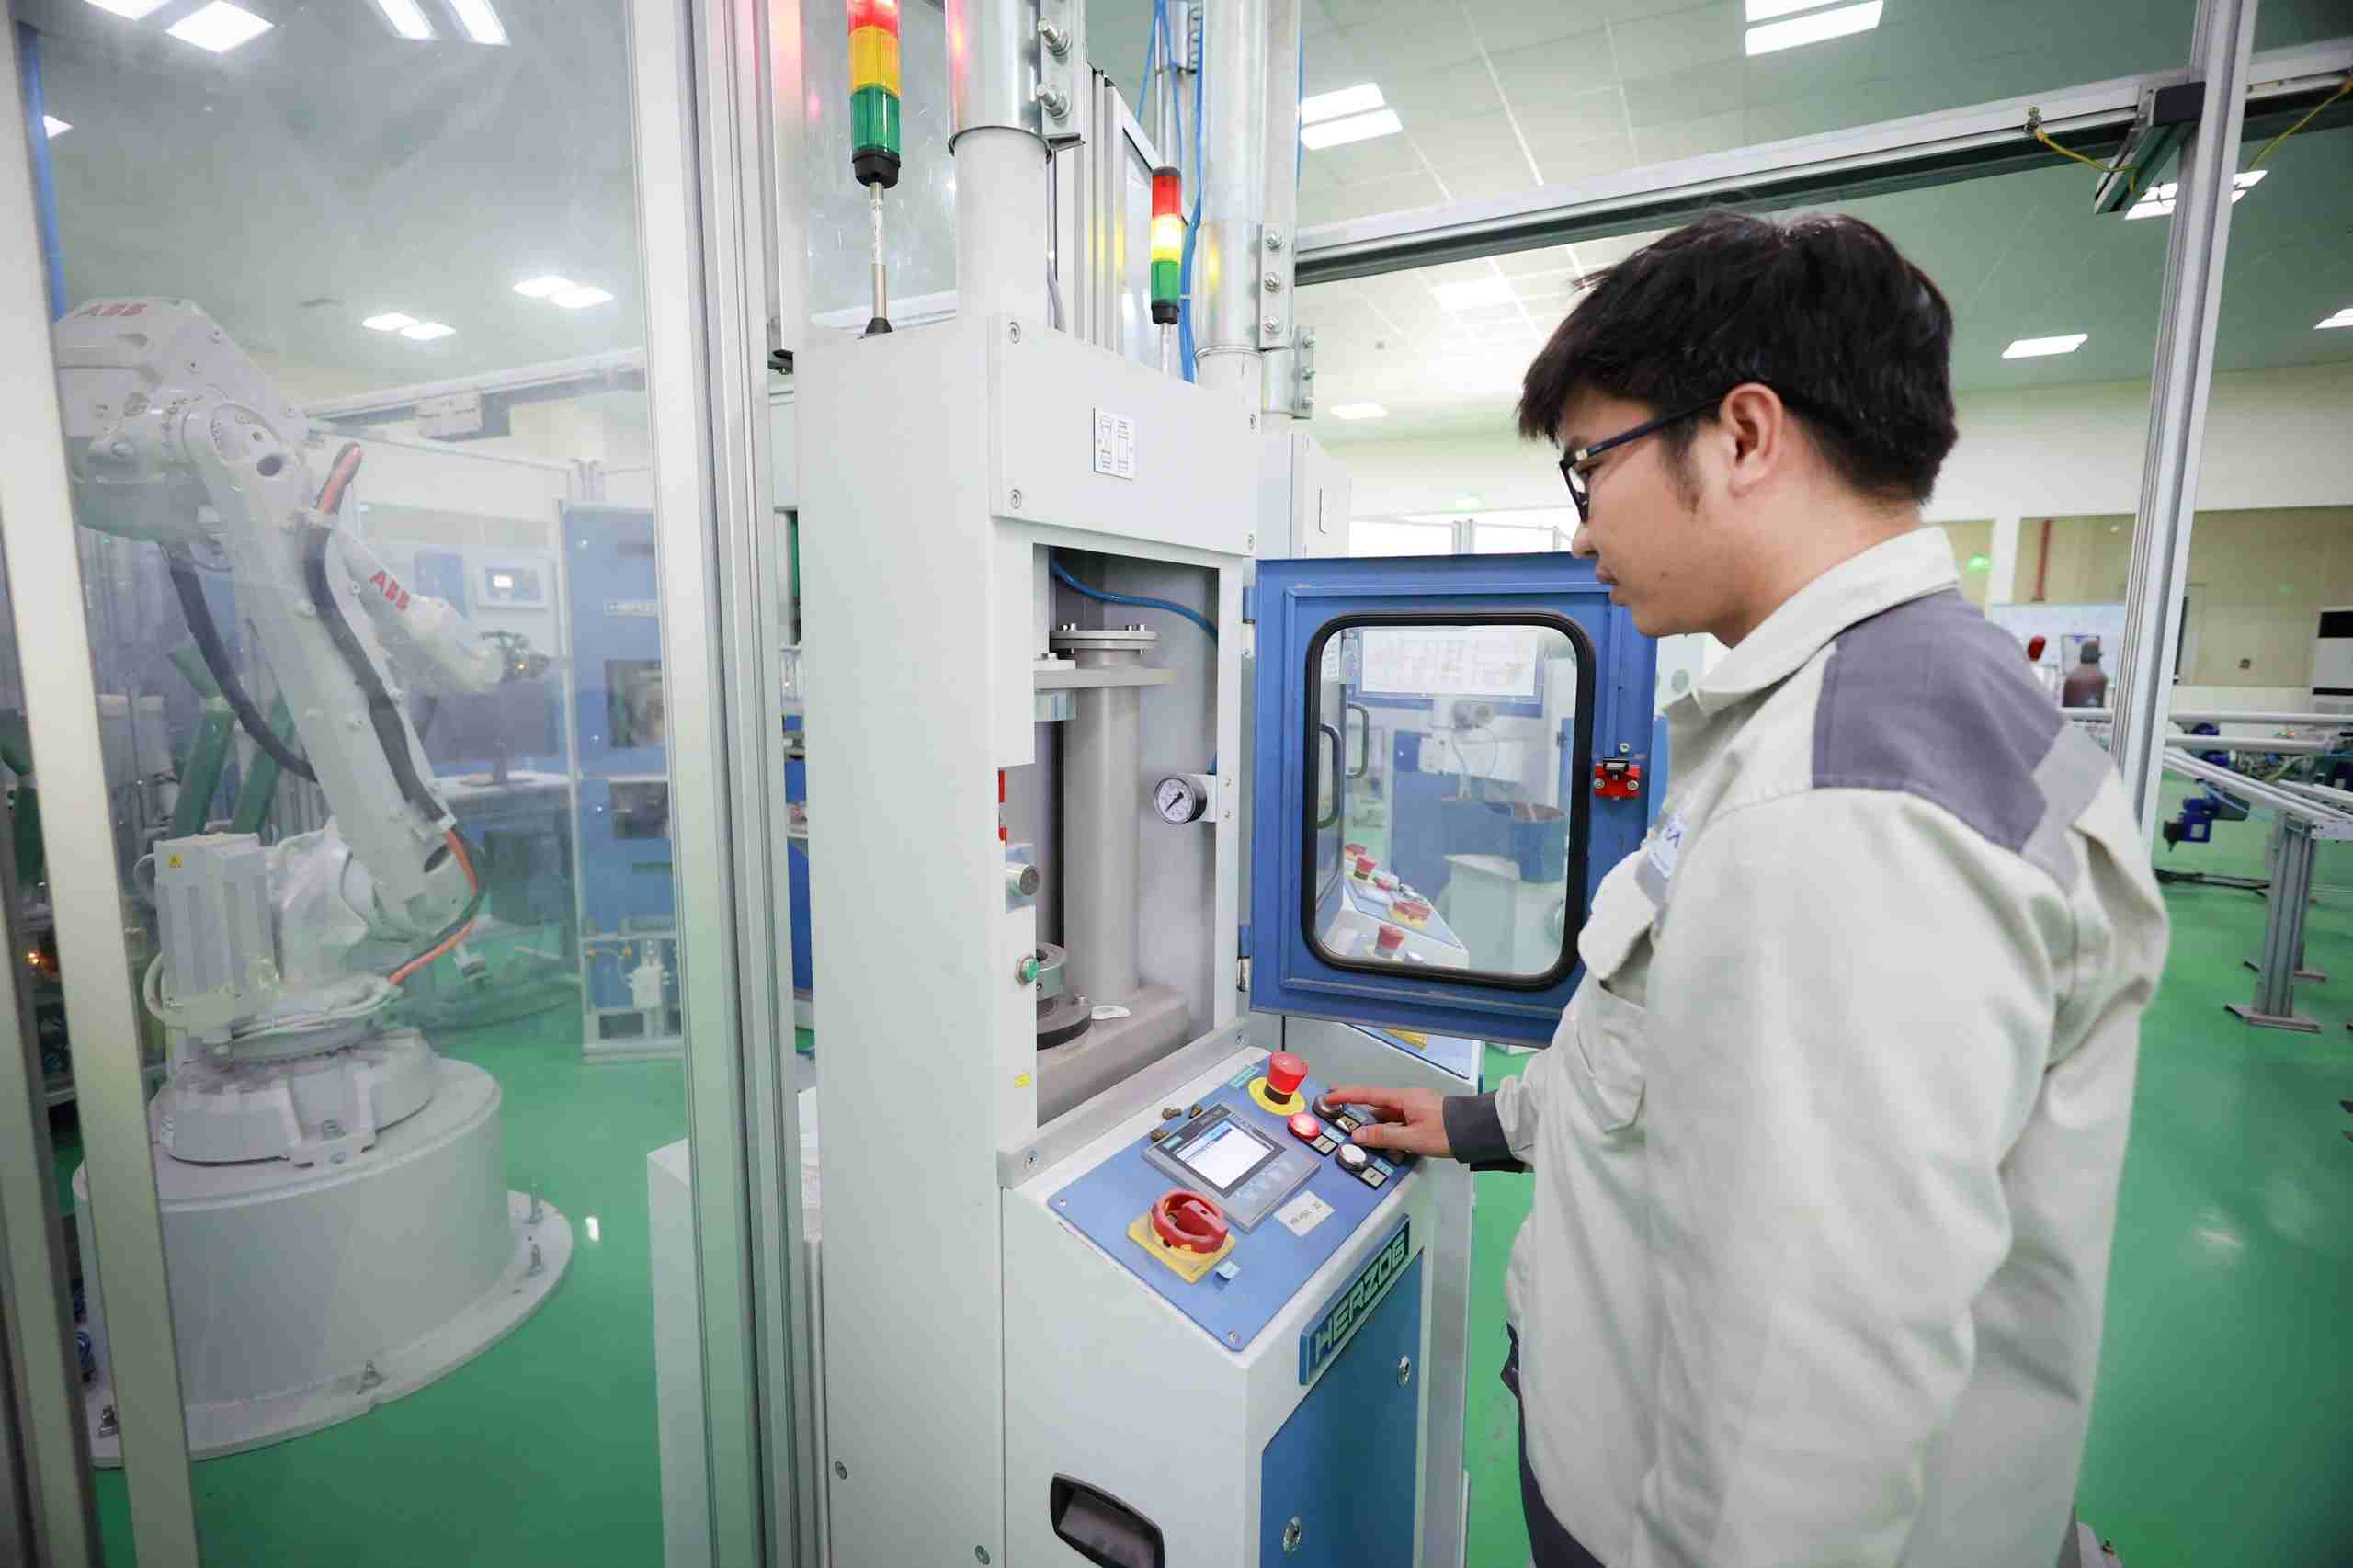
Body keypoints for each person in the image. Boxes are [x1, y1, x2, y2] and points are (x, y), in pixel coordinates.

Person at [1326, 212, 2169, 1568]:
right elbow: (1673, 1047)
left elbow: (1803, 1403)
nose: (1583, 516)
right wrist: (1483, 1118)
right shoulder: (1889, 702)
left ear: (1744, 435)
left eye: (1591, 462)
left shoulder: (1846, 801)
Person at [2064, 637, 2111, 709]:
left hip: (2072, 717)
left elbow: (2065, 704)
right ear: (2096, 657)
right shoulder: (2101, 677)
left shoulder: (2071, 676)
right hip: (2095, 717)